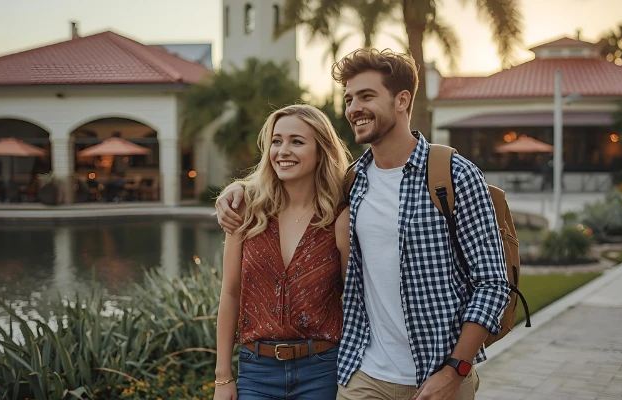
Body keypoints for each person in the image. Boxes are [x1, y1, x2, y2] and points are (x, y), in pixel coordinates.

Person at [217, 49, 510, 400]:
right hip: (364, 375)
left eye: (367, 96)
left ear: (402, 100)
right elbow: (296, 183)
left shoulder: (453, 176)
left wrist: (455, 370)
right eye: (349, 98)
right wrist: (239, 189)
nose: (354, 107)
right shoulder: (353, 183)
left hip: (440, 372)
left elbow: (493, 284)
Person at [213, 104, 352, 400]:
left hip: (323, 370)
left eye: (297, 142)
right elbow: (230, 293)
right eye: (277, 141)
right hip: (256, 371)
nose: (283, 150)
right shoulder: (247, 211)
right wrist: (222, 377)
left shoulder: (339, 219)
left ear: (320, 151)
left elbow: (354, 300)